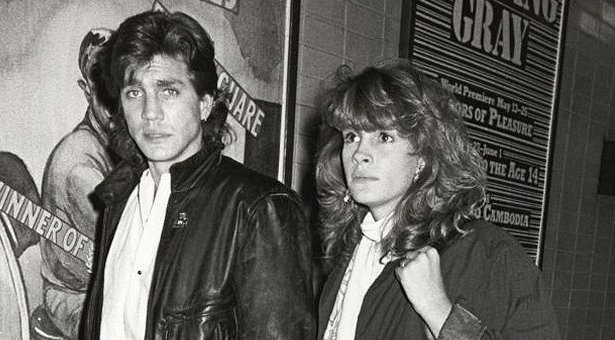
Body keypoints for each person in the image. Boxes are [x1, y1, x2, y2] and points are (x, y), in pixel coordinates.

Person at [82, 10, 315, 339]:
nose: (150, 113)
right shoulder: (118, 201)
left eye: (169, 92)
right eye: (135, 93)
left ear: (205, 104)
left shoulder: (259, 208)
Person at [315, 61, 559, 339]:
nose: (360, 153)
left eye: (384, 137)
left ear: (423, 157)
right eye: (352, 136)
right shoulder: (353, 254)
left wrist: (438, 310)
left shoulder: (483, 253)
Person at [32, 28, 116, 340]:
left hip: (96, 291)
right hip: (75, 300)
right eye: (101, 81)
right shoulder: (79, 165)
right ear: (86, 88)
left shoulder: (109, 145)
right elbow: (123, 248)